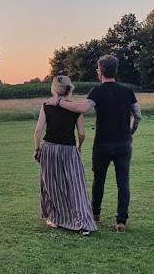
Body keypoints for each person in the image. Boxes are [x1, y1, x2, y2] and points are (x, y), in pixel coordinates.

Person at [51, 55, 142, 232]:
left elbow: (82, 108)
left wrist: (59, 101)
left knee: (99, 180)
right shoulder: (128, 92)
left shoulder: (97, 92)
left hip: (103, 145)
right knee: (123, 183)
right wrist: (131, 131)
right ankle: (121, 222)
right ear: (115, 70)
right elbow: (138, 115)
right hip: (124, 144)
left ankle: (95, 214)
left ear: (100, 71)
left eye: (98, 69)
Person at [33, 75, 97, 236]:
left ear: (54, 89)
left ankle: (55, 218)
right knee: (76, 187)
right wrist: (79, 147)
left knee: (52, 186)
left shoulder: (46, 106)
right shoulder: (75, 108)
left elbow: (38, 130)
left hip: (49, 149)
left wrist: (36, 149)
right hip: (69, 149)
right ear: (70, 88)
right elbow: (81, 134)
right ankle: (82, 224)